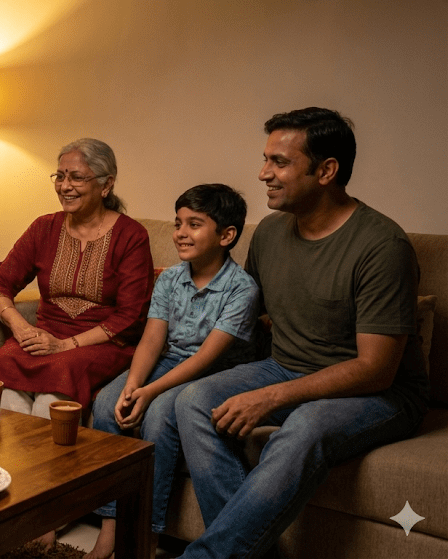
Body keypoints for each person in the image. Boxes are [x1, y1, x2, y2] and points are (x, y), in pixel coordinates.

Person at [174, 108, 429, 558]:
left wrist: (272, 397)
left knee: (307, 424)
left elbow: (376, 369)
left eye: (279, 162)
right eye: (265, 159)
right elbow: (248, 318)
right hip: (284, 366)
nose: (263, 173)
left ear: (326, 170)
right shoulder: (270, 233)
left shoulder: (381, 246)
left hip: (379, 394)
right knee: (194, 400)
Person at [85, 184, 260, 559]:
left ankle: (145, 536)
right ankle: (110, 527)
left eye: (194, 224)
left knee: (160, 416)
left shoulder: (241, 289)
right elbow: (151, 340)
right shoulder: (168, 279)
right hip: (169, 359)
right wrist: (133, 384)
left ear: (227, 236)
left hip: (210, 373)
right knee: (106, 405)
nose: (181, 232)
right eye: (178, 222)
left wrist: (150, 393)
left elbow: (207, 358)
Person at [0, 138, 154, 419]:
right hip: (43, 338)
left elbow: (130, 317)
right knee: (4, 373)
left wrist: (65, 345)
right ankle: (8, 462)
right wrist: (22, 329)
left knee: (51, 395)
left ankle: (46, 462)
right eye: (60, 177)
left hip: (100, 346)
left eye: (76, 178)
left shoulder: (131, 236)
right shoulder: (43, 228)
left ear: (106, 184)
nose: (64, 187)